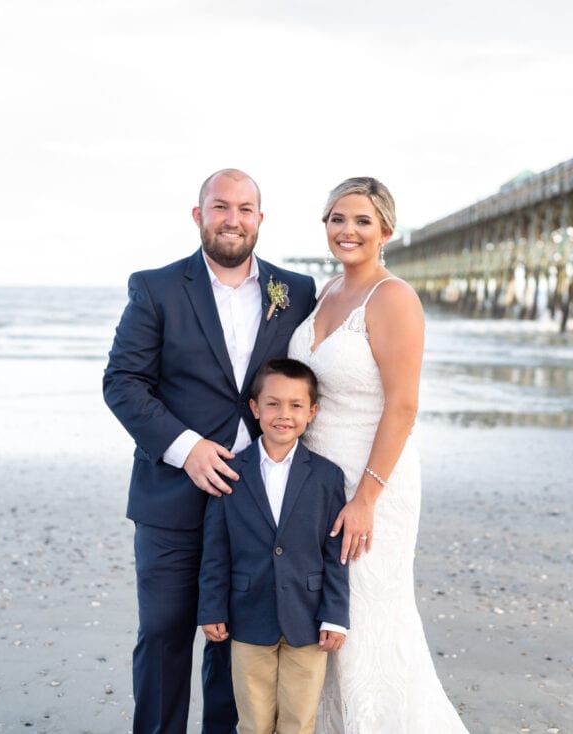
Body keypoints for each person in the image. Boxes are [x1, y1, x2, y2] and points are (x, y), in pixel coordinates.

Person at [104, 169, 318, 734]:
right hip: (171, 495)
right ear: (198, 215)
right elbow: (122, 381)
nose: (233, 219)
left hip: (257, 503)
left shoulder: (294, 291)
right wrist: (186, 448)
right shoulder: (156, 288)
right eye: (220, 207)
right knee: (165, 632)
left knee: (237, 643)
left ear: (260, 220)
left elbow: (311, 385)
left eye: (245, 209)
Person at [287, 177, 471, 732]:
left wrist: (366, 498)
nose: (348, 230)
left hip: (373, 482)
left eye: (362, 221)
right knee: (328, 623)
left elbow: (403, 406)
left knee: (368, 621)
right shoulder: (325, 291)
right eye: (338, 218)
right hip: (316, 480)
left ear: (385, 230)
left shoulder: (393, 298)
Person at [198, 358, 349, 734]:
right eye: (273, 404)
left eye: (296, 405)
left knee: (298, 721)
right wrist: (211, 607)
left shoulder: (327, 476)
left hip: (308, 620)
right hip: (248, 617)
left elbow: (336, 554)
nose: (284, 415)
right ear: (254, 408)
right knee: (253, 721)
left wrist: (335, 615)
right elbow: (216, 549)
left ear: (312, 412)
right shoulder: (230, 470)